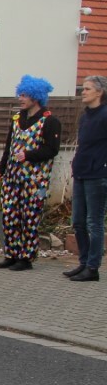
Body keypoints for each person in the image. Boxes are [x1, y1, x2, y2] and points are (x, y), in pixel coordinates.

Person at [0, 75, 61, 272]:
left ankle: (26, 258)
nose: (20, 98)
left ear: (35, 96)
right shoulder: (17, 119)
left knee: (29, 217)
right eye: (20, 94)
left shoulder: (50, 121)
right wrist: (1, 169)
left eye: (24, 95)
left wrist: (29, 155)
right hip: (12, 176)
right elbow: (9, 146)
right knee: (9, 215)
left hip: (35, 179)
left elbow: (52, 150)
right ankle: (11, 254)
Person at [64, 75, 107, 282]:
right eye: (83, 88)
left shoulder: (105, 115)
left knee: (94, 222)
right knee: (78, 222)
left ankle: (92, 267)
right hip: (81, 172)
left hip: (97, 174)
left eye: (88, 89)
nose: (83, 92)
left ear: (100, 92)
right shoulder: (85, 116)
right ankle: (83, 262)